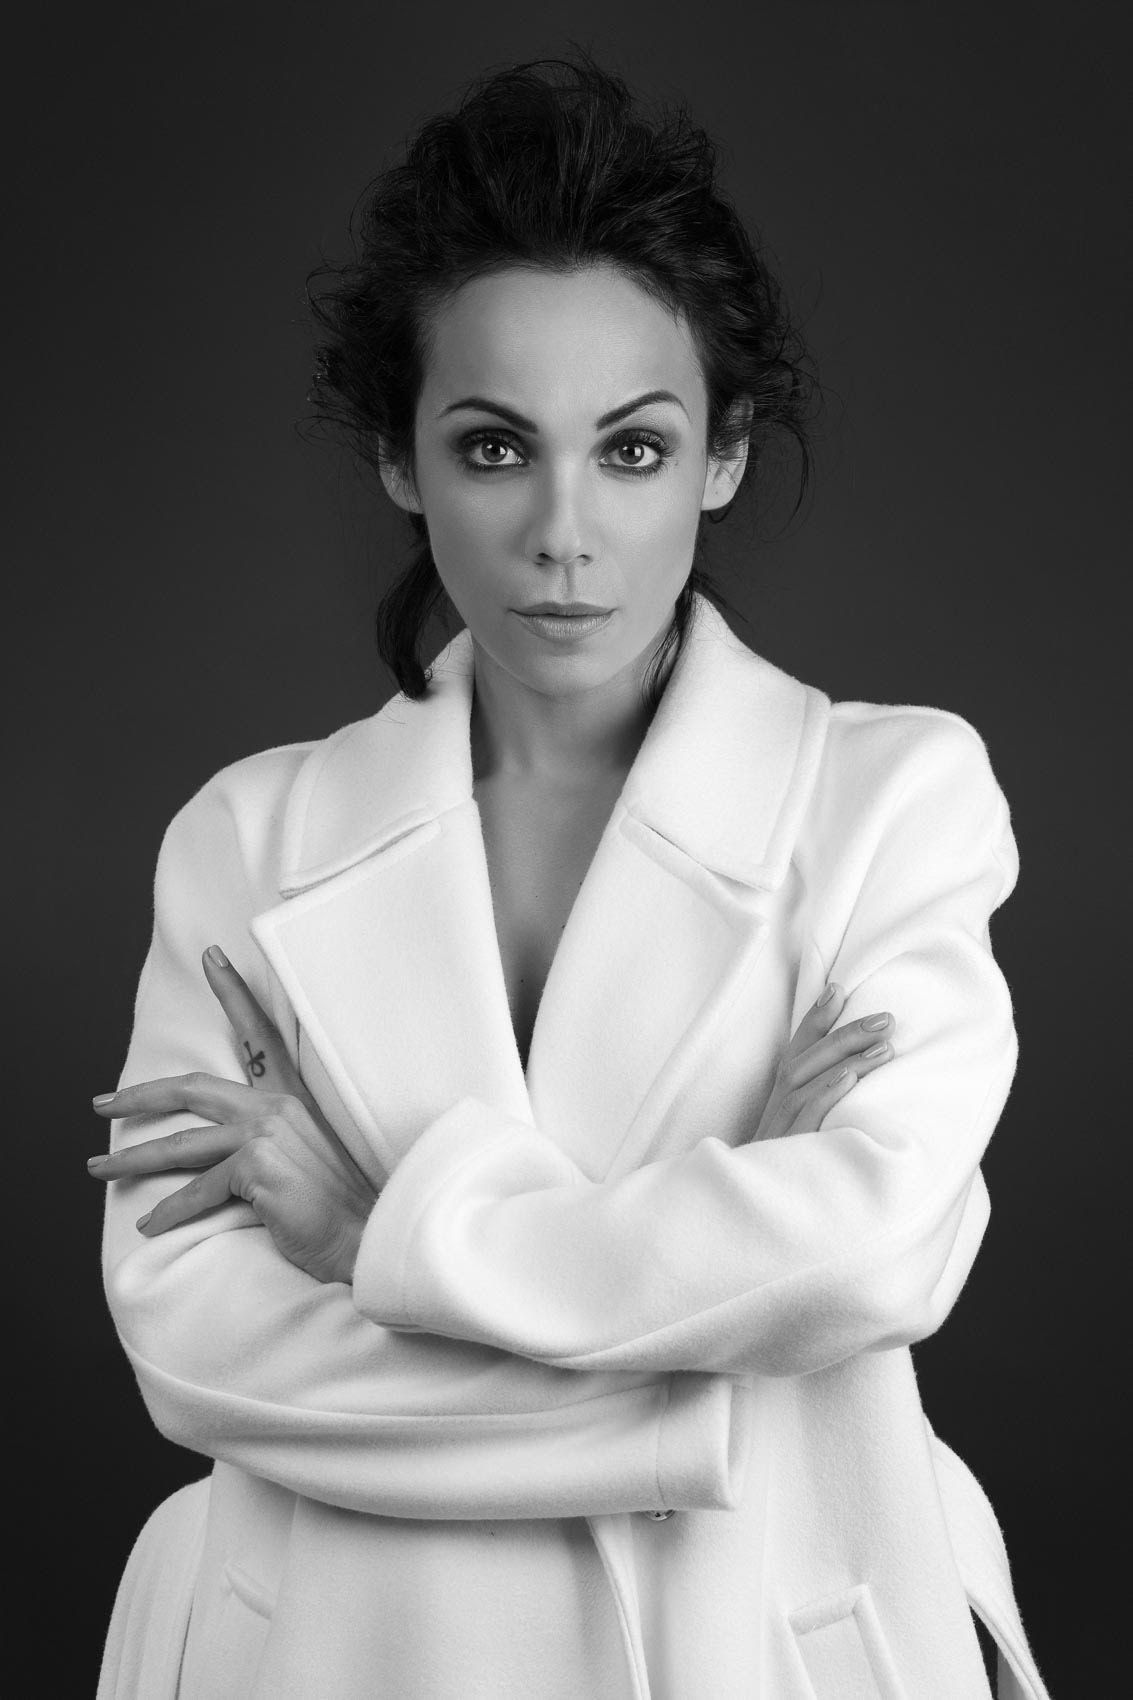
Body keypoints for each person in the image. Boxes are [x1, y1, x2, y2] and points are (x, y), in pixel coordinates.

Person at [91, 52, 1052, 1700]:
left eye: (631, 450)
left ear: (721, 458)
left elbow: (869, 1253)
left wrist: (373, 1231)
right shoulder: (244, 840)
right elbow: (198, 1347)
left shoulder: (891, 799)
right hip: (343, 1649)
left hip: (744, 1644)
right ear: (399, 462)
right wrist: (709, 1336)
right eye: (491, 448)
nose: (561, 530)